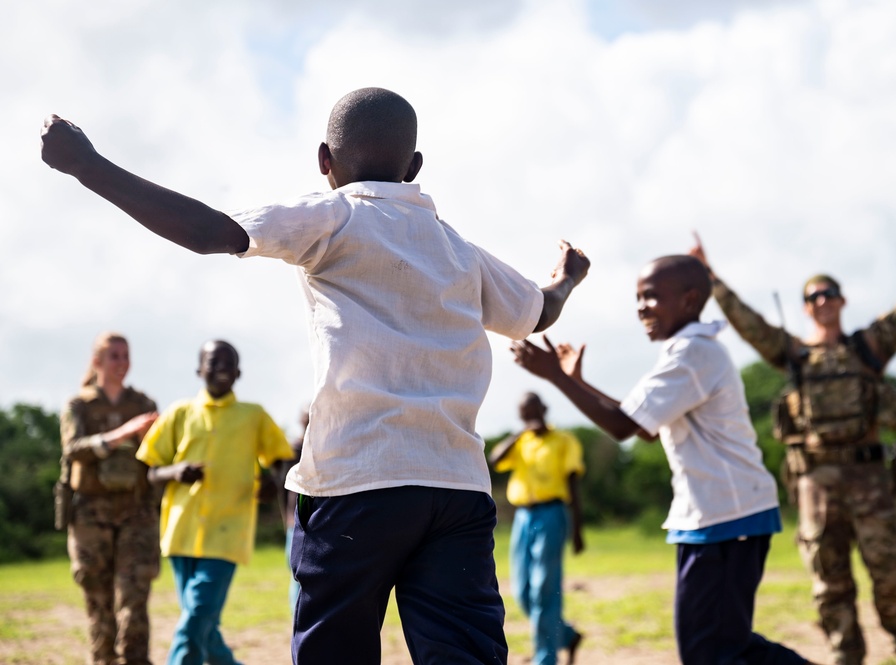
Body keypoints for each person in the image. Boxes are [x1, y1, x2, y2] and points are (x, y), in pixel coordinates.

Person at [41, 86, 589, 664]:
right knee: (464, 655)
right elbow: (537, 312)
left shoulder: (335, 215)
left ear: (325, 161)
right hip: (455, 488)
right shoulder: (460, 251)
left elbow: (210, 233)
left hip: (357, 480)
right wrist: (567, 277)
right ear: (415, 168)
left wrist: (88, 167)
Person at [689, 213, 896, 665]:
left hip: (869, 483)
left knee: (892, 576)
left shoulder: (869, 347)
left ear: (842, 301)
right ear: (806, 307)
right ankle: (846, 658)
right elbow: (747, 321)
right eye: (813, 296)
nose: (822, 301)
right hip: (815, 486)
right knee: (830, 585)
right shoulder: (793, 355)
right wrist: (708, 275)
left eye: (829, 294)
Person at [511, 255, 810, 665]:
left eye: (651, 297)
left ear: (690, 301)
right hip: (713, 516)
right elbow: (645, 425)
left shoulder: (693, 354)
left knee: (713, 648)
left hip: (729, 516)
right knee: (719, 644)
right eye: (637, 298)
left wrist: (557, 377)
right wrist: (577, 382)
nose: (640, 307)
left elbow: (622, 426)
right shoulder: (687, 353)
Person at [136, 340, 293, 665]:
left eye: (228, 363)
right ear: (199, 370)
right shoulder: (179, 413)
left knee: (196, 615)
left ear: (238, 372)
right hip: (182, 530)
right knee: (202, 624)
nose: (221, 367)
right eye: (213, 361)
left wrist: (270, 482)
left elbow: (280, 461)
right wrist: (175, 471)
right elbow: (151, 472)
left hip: (228, 532)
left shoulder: (254, 416)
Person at [59, 332, 160, 665]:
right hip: (91, 514)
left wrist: (148, 438)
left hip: (136, 512)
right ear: (97, 361)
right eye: (114, 355)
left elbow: (158, 457)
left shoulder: (144, 405)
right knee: (98, 603)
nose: (122, 362)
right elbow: (73, 450)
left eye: (125, 355)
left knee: (134, 600)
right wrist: (121, 435)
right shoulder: (79, 405)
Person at [489, 392, 585, 665]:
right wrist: (519, 434)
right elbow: (495, 460)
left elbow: (573, 485)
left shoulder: (563, 440)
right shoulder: (521, 443)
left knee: (544, 586)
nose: (529, 415)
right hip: (523, 517)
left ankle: (545, 658)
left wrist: (577, 529)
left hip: (553, 513)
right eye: (523, 412)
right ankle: (565, 635)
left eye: (532, 409)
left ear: (544, 408)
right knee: (521, 590)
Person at [275, 409, 307, 614]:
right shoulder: (294, 450)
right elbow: (282, 485)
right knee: (297, 574)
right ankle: (297, 616)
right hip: (295, 522)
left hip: (308, 521)